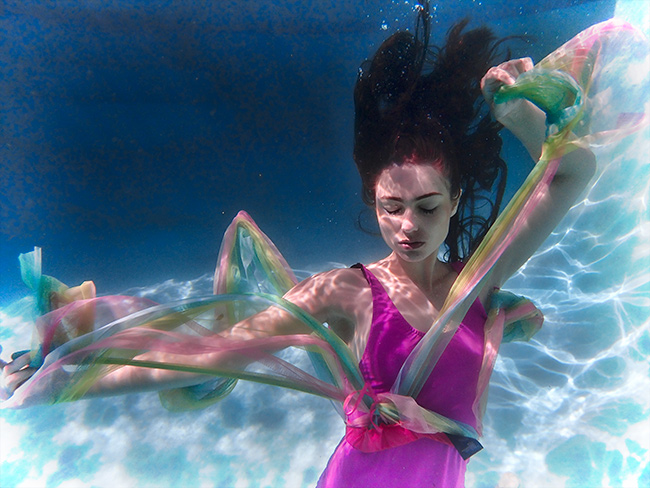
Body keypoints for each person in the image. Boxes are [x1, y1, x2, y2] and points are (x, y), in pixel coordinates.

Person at [2, 3, 618, 487]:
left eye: (428, 207)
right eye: (390, 208)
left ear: (456, 202)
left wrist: (517, 116)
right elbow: (211, 352)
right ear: (373, 206)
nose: (409, 226)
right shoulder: (347, 290)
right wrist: (63, 380)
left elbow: (570, 173)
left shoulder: (475, 284)